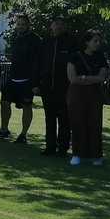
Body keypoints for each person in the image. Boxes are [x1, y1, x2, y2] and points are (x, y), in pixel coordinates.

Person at [0, 14, 39, 143]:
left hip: (27, 80)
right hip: (13, 77)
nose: (20, 26)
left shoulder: (35, 40)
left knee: (26, 105)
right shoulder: (16, 38)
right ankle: (4, 129)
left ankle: (23, 134)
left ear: (28, 25)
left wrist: (35, 82)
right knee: (4, 102)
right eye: (18, 24)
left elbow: (37, 62)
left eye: (23, 24)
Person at [67, 30, 110, 166]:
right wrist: (91, 79)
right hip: (77, 93)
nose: (97, 44)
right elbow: (73, 78)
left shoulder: (100, 57)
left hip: (94, 94)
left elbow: (102, 77)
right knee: (77, 122)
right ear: (87, 41)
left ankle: (96, 155)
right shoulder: (74, 57)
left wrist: (84, 77)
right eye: (94, 41)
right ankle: (77, 153)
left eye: (99, 41)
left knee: (95, 123)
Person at [38, 16, 75, 156]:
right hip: (47, 87)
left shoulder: (71, 43)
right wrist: (37, 83)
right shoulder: (46, 43)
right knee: (49, 117)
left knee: (64, 118)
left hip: (64, 87)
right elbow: (39, 63)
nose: (58, 26)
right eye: (55, 24)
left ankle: (63, 147)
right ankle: (50, 146)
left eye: (61, 24)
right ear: (51, 26)